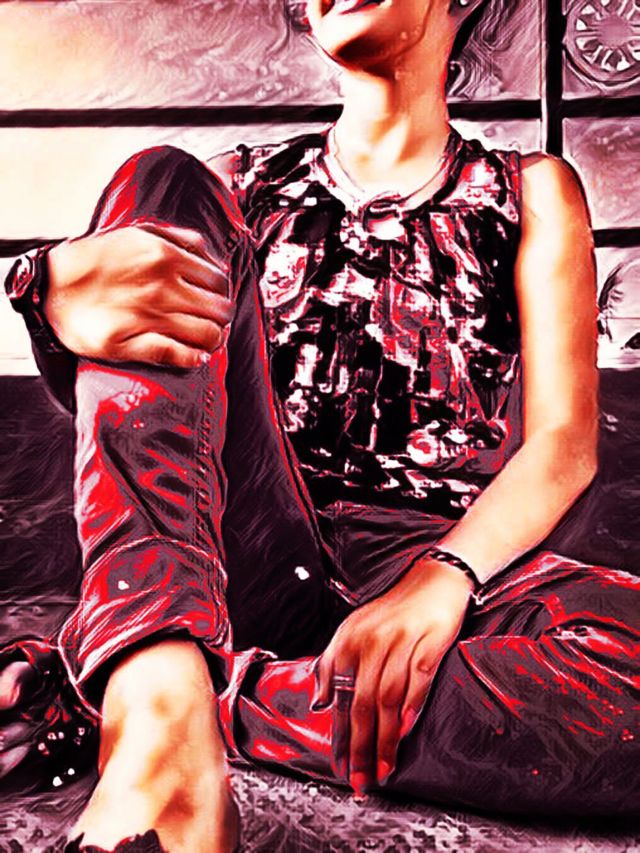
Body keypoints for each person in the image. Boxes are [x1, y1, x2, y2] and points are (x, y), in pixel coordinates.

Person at [2, 0, 639, 850]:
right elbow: (147, 413)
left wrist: (443, 577)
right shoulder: (234, 184)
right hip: (238, 544)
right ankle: (155, 703)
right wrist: (45, 293)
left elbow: (563, 444)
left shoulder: (532, 189)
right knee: (161, 180)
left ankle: (183, 696)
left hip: (436, 555)